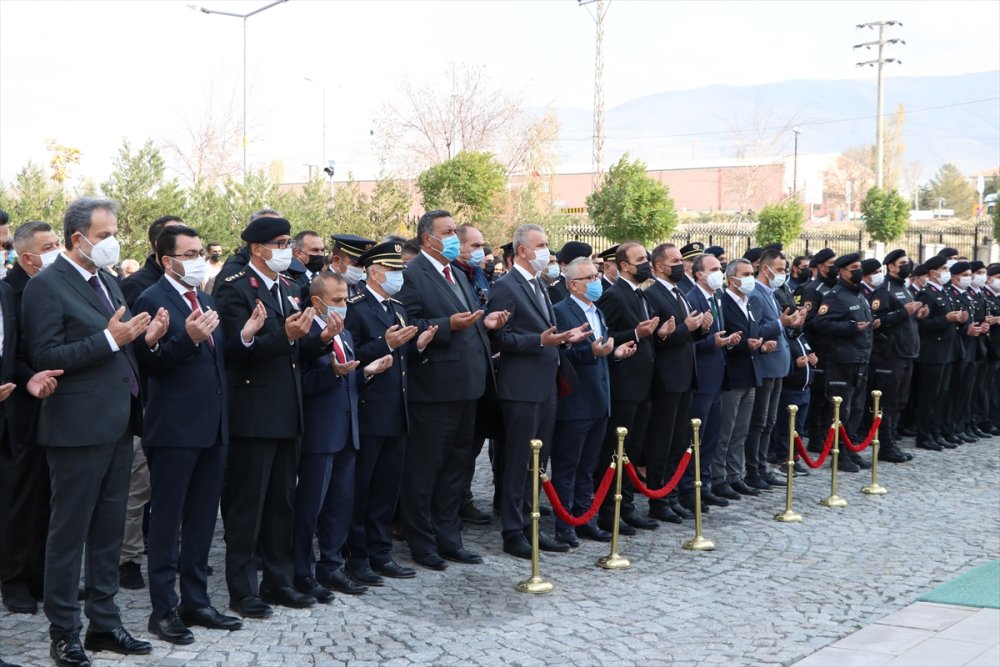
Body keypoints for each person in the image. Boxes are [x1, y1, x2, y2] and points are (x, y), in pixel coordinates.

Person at [23, 197, 167, 664]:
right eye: (105, 235)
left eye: (114, 233)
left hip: (118, 423)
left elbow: (120, 347)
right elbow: (45, 354)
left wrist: (143, 340)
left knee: (108, 531)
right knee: (69, 533)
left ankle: (105, 624)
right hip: (75, 428)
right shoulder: (46, 285)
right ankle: (64, 630)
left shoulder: (108, 280)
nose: (112, 242)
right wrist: (110, 339)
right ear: (77, 238)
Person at [133, 226, 258, 644]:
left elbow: (218, 357)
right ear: (168, 261)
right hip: (175, 429)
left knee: (204, 519)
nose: (198, 258)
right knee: (168, 523)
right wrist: (186, 337)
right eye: (189, 253)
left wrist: (245, 335)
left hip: (212, 426)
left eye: (200, 251)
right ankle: (163, 610)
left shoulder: (203, 296)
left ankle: (196, 601)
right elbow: (153, 364)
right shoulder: (152, 299)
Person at [214, 215, 339, 618]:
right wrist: (281, 336)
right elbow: (234, 351)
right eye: (281, 243)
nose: (287, 249)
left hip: (288, 410)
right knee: (247, 504)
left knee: (281, 502)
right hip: (253, 412)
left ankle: (279, 580)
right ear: (258, 248)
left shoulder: (289, 287)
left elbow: (294, 351)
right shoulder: (235, 288)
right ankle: (243, 589)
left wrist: (319, 341)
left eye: (288, 242)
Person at [396, 210, 507, 571]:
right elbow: (408, 326)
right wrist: (447, 325)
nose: (454, 239)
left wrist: (485, 322)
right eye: (447, 233)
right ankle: (422, 541)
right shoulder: (411, 275)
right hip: (433, 389)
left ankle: (449, 537)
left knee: (457, 470)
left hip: (468, 387)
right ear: (427, 238)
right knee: (426, 469)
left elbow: (470, 318)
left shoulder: (457, 272)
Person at [486, 224, 589, 558]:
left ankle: (532, 525)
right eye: (541, 245)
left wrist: (564, 338)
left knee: (538, 461)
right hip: (521, 387)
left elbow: (544, 330)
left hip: (547, 383)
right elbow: (499, 338)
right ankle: (513, 531)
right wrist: (539, 342)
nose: (547, 251)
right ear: (522, 251)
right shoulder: (505, 286)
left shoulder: (539, 284)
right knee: (518, 461)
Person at [293, 272, 392, 600]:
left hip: (347, 430)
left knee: (340, 504)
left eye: (346, 299)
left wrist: (367, 372)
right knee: (311, 506)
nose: (344, 306)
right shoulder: (306, 333)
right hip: (319, 433)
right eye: (337, 300)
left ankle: (331, 565)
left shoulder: (345, 332)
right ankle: (302, 570)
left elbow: (347, 380)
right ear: (317, 301)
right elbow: (301, 385)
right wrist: (329, 372)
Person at [344, 242, 436, 584]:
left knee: (386, 489)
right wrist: (386, 344)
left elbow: (402, 360)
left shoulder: (396, 306)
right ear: (375, 272)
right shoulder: (355, 307)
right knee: (362, 488)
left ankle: (380, 551)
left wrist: (419, 346)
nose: (399, 276)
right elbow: (352, 354)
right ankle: (357, 555)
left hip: (397, 410)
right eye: (393, 270)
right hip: (369, 410)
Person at [118, 214, 187, 591]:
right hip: (146, 398)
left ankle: (168, 551)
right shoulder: (139, 287)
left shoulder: (191, 289)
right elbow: (133, 348)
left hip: (180, 401)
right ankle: (128, 558)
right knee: (138, 485)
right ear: (162, 251)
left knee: (169, 487)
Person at [551, 257, 635, 546]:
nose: (595, 281)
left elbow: (601, 350)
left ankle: (584, 517)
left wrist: (616, 354)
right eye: (589, 278)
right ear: (573, 284)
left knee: (588, 466)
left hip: (600, 400)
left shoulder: (597, 311)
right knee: (567, 466)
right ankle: (565, 524)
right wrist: (593, 354)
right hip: (575, 402)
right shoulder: (561, 311)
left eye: (596, 275)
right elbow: (562, 356)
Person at [0, 221, 62, 615]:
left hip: (49, 402)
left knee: (46, 498)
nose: (57, 250)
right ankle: (15, 579)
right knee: (19, 500)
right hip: (18, 410)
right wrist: (26, 378)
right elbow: (17, 351)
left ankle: (42, 575)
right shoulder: (14, 289)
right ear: (26, 257)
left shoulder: (54, 284)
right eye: (49, 246)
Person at [595, 241, 661, 534]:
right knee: (615, 450)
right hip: (624, 386)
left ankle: (627, 506)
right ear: (624, 265)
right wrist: (636, 332)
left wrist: (659, 334)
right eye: (640, 259)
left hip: (644, 384)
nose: (646, 263)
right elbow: (603, 334)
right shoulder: (614, 295)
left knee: (632, 451)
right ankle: (609, 510)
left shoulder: (641, 294)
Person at [643, 243, 707, 520]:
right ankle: (658, 499)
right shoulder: (652, 294)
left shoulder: (679, 291)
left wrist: (701, 329)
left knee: (679, 440)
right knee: (662, 441)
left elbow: (686, 334)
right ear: (659, 266)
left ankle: (670, 495)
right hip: (666, 379)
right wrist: (686, 329)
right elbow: (659, 339)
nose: (682, 265)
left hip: (685, 376)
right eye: (676, 260)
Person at [685, 253, 742, 504]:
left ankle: (704, 483)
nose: (719, 272)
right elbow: (688, 342)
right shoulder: (692, 298)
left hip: (718, 375)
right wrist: (712, 341)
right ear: (700, 274)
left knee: (711, 436)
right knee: (696, 435)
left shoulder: (716, 297)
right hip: (702, 377)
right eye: (714, 268)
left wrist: (728, 341)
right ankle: (689, 487)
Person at [812, 253, 874, 472]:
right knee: (841, 410)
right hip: (841, 361)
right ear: (843, 271)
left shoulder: (859, 294)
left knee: (857, 408)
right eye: (854, 267)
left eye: (860, 267)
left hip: (860, 359)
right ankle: (839, 453)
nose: (859, 270)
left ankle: (849, 449)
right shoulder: (835, 295)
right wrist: (850, 328)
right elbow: (821, 323)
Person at [745, 249, 800, 489]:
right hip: (766, 364)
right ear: (764, 268)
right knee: (759, 421)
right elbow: (756, 330)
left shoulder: (772, 293)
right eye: (779, 270)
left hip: (779, 365)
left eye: (784, 270)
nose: (783, 274)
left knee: (770, 420)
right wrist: (781, 323)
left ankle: (761, 466)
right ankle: (753, 468)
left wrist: (792, 322)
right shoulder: (756, 294)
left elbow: (780, 327)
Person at [714, 259, 767, 498]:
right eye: (745, 274)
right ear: (731, 278)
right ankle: (718, 477)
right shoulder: (723, 302)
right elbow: (724, 338)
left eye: (751, 273)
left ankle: (735, 475)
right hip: (732, 375)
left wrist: (761, 344)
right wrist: (744, 344)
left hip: (750, 372)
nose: (750, 278)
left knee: (741, 432)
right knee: (725, 431)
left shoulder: (749, 302)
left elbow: (753, 331)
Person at [865, 250, 923, 463]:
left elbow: (906, 317)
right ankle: (885, 445)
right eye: (902, 263)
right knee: (887, 402)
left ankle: (892, 441)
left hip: (907, 352)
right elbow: (876, 321)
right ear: (891, 266)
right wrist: (903, 313)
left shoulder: (904, 288)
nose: (907, 266)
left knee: (899, 401)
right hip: (890, 355)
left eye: (907, 262)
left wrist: (917, 314)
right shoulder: (884, 290)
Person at [914, 255, 964, 451]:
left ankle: (935, 432)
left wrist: (958, 318)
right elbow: (922, 324)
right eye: (943, 268)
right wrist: (946, 319)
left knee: (941, 395)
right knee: (930, 395)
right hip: (932, 352)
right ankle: (924, 435)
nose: (946, 272)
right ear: (933, 271)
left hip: (946, 351)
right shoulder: (927, 294)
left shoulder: (943, 292)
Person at [329, 234, 375, 299]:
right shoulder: (319, 286)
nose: (361, 269)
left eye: (362, 265)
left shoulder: (362, 287)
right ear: (337, 261)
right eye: (356, 265)